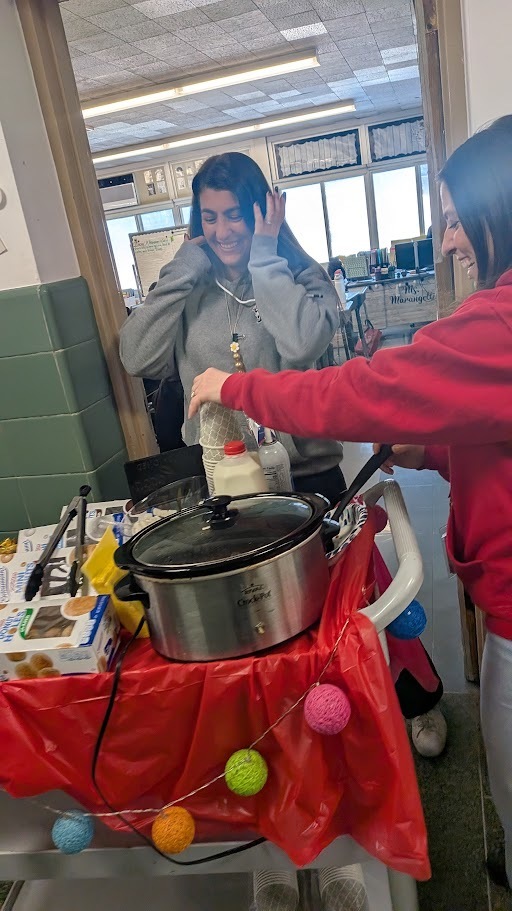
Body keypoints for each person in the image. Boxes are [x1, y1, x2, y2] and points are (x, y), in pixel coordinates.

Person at [188, 115, 512, 889]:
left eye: (455, 220)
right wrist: (431, 450)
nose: (447, 243)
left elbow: (364, 389)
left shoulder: (499, 322)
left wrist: (232, 388)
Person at [120, 151, 344, 501]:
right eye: (209, 218)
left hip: (305, 478)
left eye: (234, 216)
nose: (221, 232)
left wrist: (266, 256)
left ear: (260, 211)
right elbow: (136, 358)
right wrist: (181, 269)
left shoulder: (302, 276)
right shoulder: (187, 283)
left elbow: (302, 344)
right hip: (222, 480)